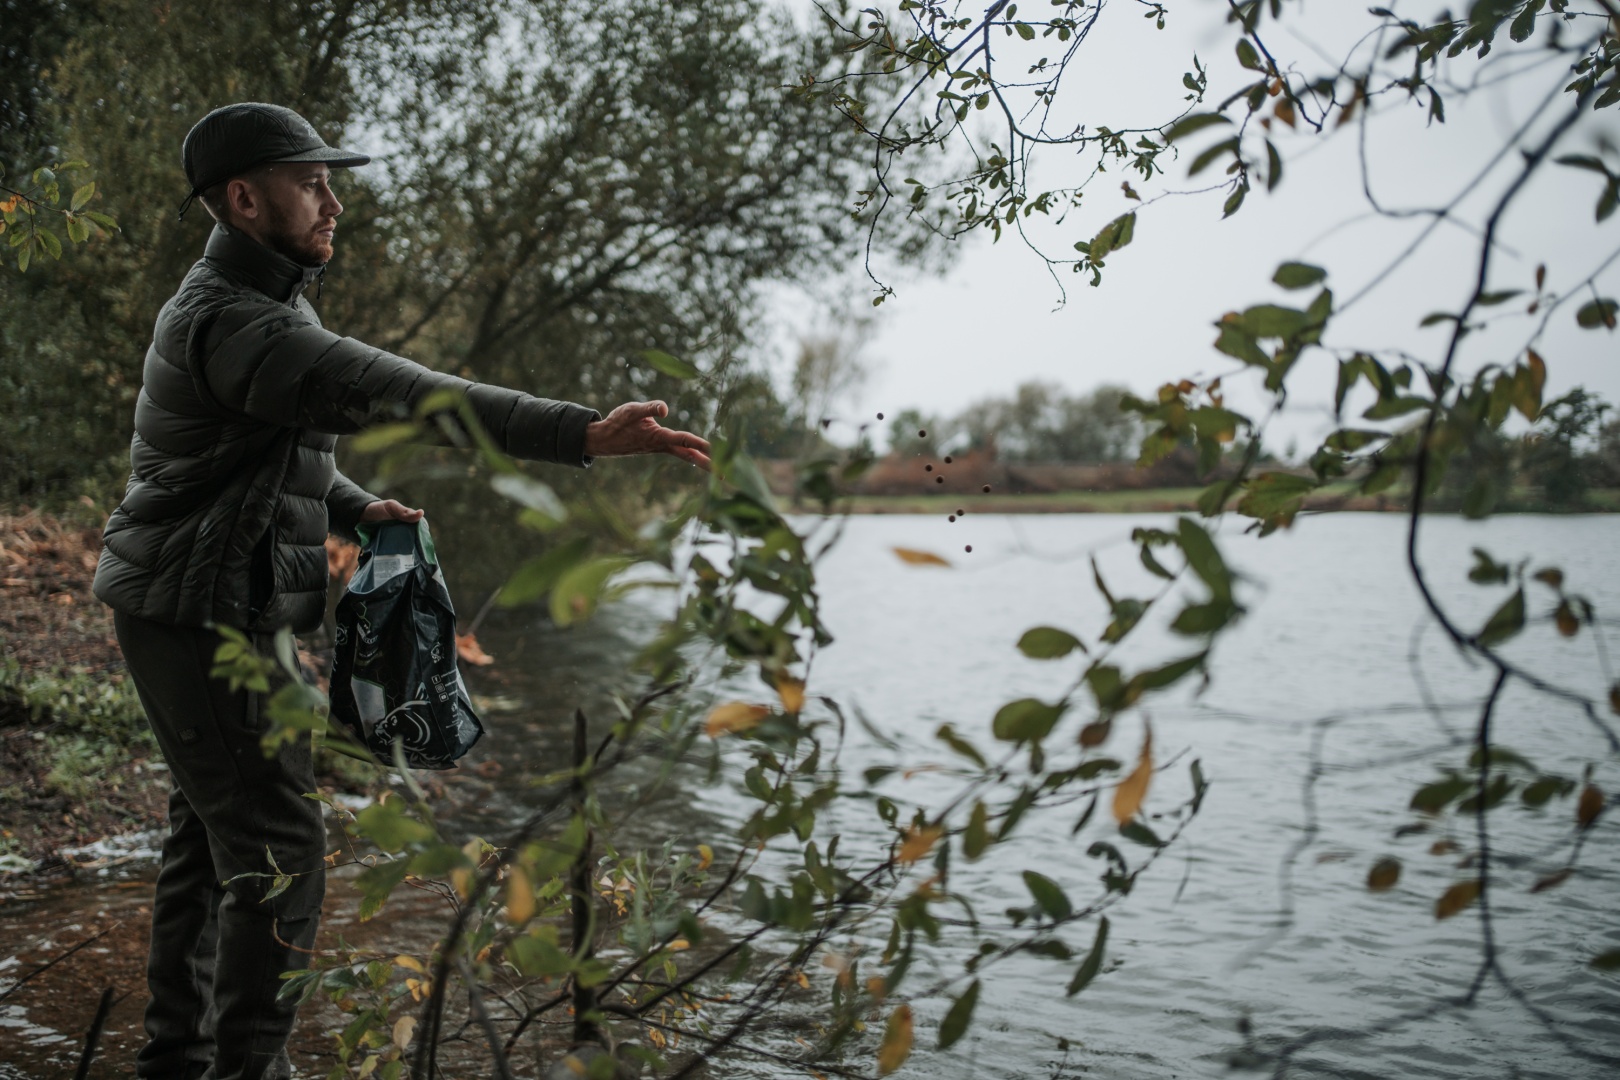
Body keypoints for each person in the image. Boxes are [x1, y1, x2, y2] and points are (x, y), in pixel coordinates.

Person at [91, 102, 711, 1080]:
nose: (335, 200)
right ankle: (245, 1070)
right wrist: (581, 433)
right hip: (197, 614)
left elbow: (247, 457)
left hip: (210, 607)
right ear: (246, 199)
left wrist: (349, 506)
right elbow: (412, 392)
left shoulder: (266, 301)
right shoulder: (238, 319)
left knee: (210, 841)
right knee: (278, 842)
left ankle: (178, 1060)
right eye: (312, 181)